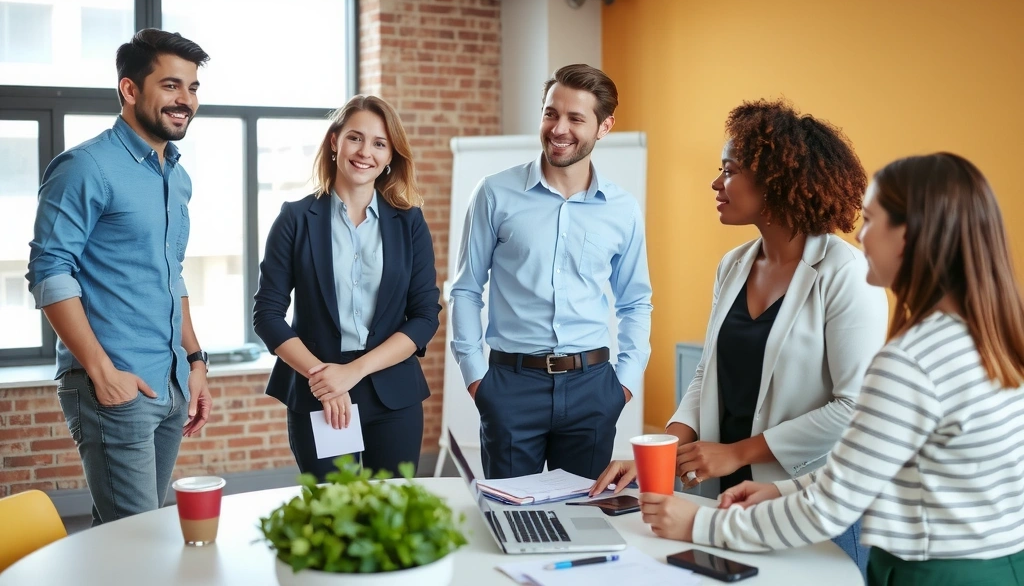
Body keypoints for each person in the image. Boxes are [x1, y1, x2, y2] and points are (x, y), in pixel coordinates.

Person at [638, 152, 1024, 585]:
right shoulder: (994, 338)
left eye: (873, 220)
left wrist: (697, 524)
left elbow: (831, 508)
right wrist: (785, 490)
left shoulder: (910, 362)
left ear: (909, 237)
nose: (860, 236)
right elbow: (882, 464)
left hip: (936, 574)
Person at [591, 99, 889, 571]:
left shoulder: (845, 273)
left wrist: (735, 453)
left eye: (729, 170)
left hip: (808, 499)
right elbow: (707, 373)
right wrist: (662, 453)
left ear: (775, 182)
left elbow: (855, 408)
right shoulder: (732, 266)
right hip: (724, 496)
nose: (716, 183)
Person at [26, 29, 213, 526]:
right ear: (130, 90)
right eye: (172, 86)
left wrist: (194, 362)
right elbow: (49, 271)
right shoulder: (85, 166)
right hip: (115, 386)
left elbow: (171, 273)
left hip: (169, 385)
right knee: (138, 539)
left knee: (128, 532)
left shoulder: (176, 174)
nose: (186, 100)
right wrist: (102, 373)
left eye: (193, 88)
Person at [449, 64, 653, 480]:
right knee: (513, 519)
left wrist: (623, 384)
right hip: (510, 386)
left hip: (593, 389)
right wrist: (478, 380)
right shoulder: (494, 193)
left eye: (576, 118)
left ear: (604, 126)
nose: (559, 128)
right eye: (550, 113)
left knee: (585, 518)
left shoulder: (622, 209)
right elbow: (466, 289)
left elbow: (635, 301)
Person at [253, 94, 440, 481]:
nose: (365, 152)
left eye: (379, 143)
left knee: (391, 518)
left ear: (391, 156)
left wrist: (352, 373)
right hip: (318, 392)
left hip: (393, 395)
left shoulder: (409, 224)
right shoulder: (295, 219)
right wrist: (325, 378)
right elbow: (267, 315)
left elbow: (424, 318)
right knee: (330, 515)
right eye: (355, 137)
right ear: (335, 141)